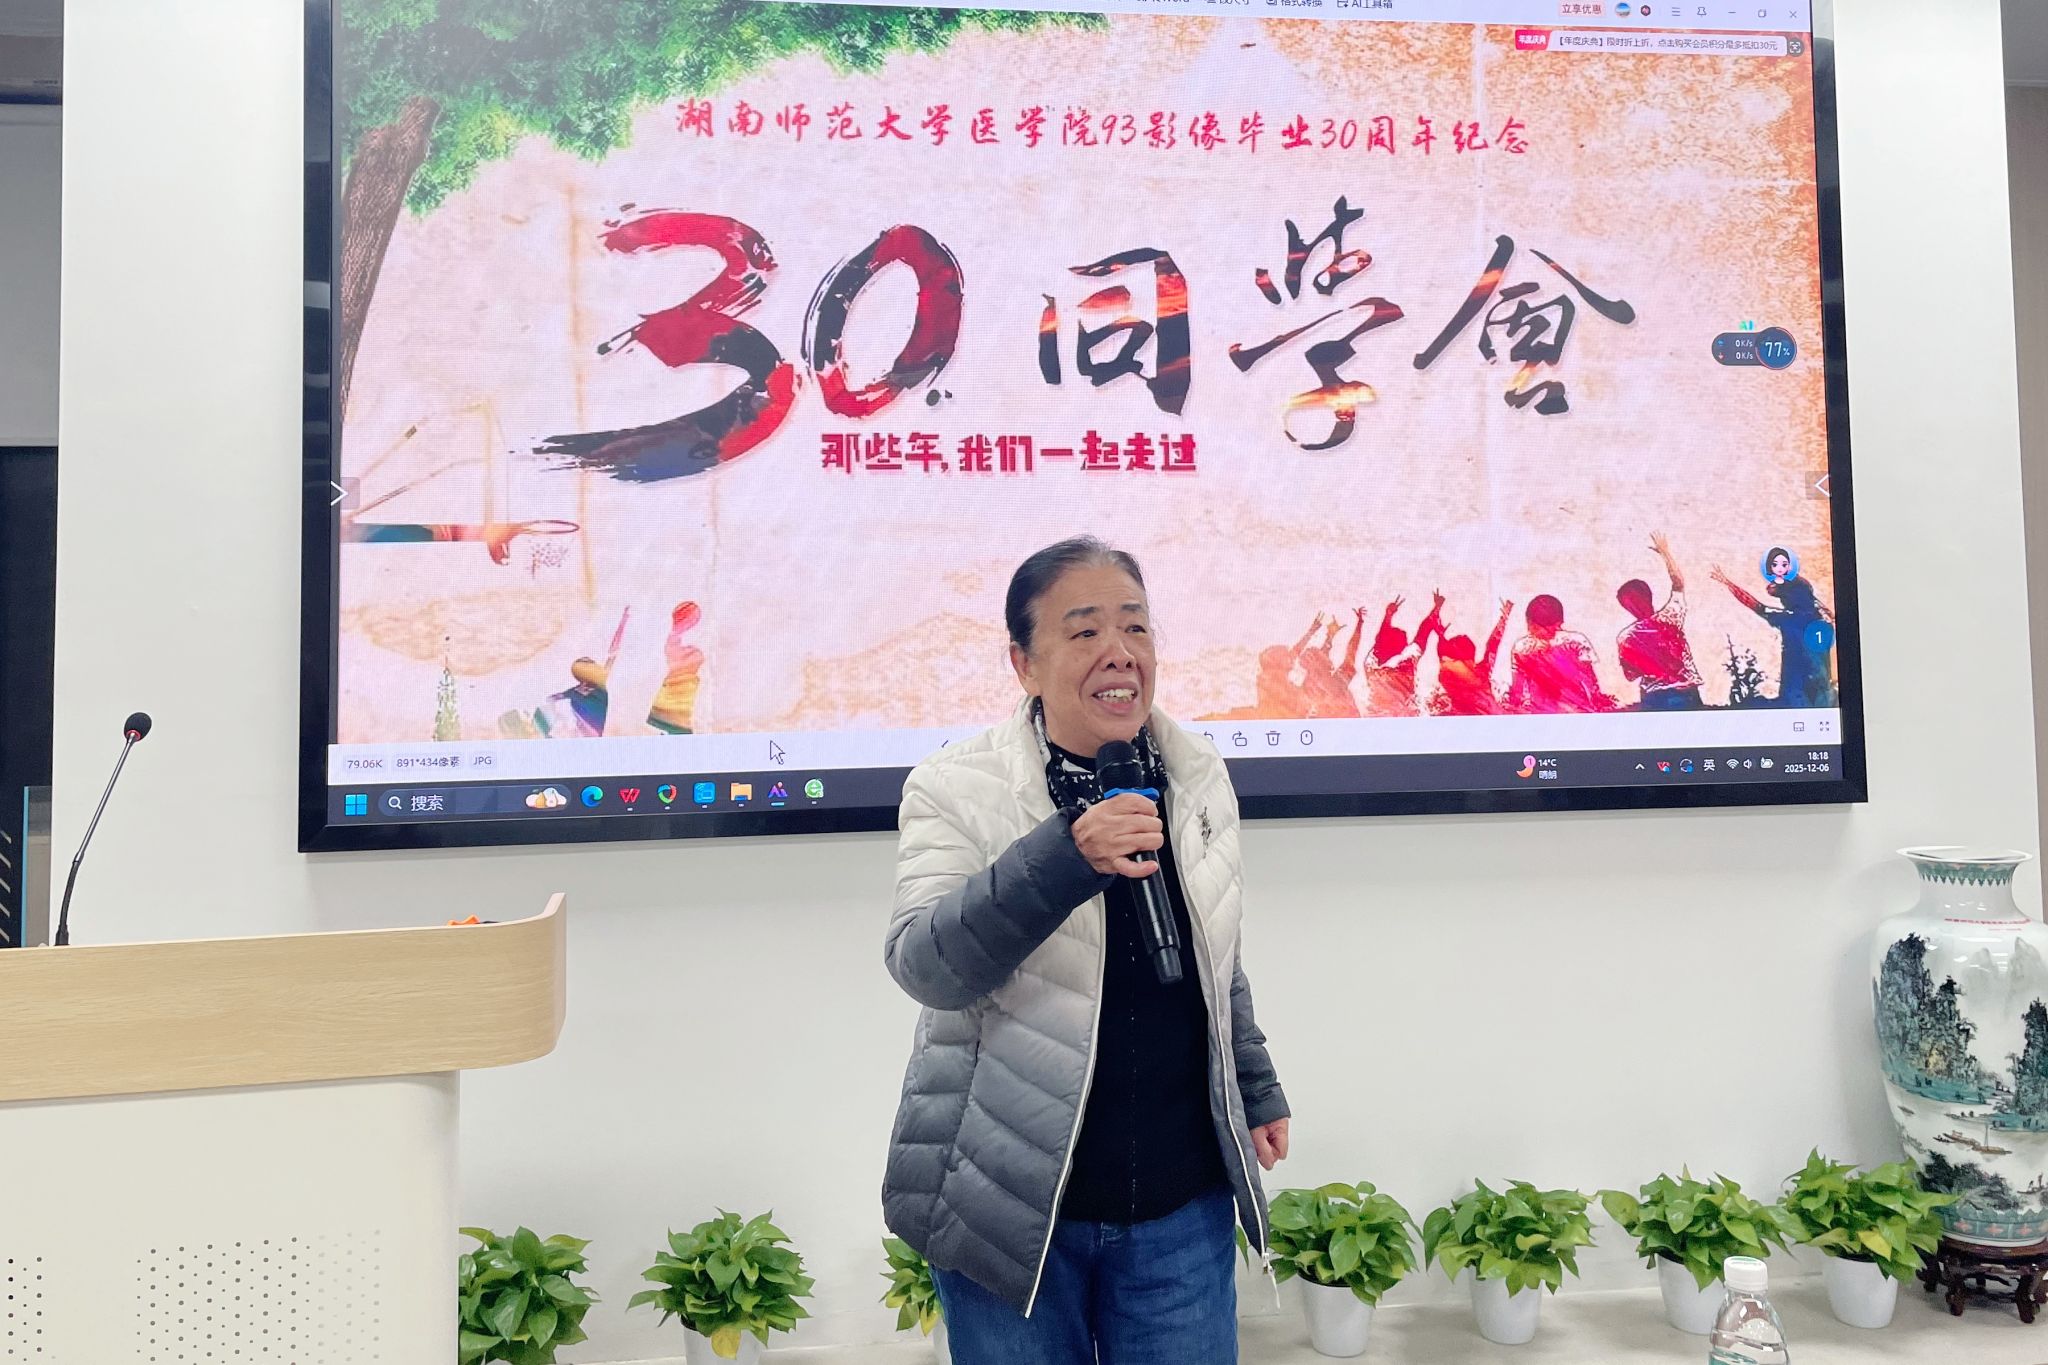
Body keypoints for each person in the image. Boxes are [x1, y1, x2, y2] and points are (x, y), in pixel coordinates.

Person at [883, 536, 1290, 1364]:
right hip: (1011, 1207)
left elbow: (1216, 950)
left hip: (1181, 1204)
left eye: (1136, 627)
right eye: (1085, 631)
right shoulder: (954, 786)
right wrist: (1066, 856)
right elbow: (925, 964)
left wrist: (1253, 1081)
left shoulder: (1195, 769)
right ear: (1023, 663)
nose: (1120, 652)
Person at [1711, 558, 1837, 708]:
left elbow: (1755, 605)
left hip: (1796, 691)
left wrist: (1728, 584)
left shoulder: (1788, 619)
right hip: (1820, 690)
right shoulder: (1822, 620)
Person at [1615, 533, 1704, 710]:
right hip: (1685, 692)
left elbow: (1630, 675)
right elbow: (1678, 583)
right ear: (1649, 596)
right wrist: (1665, 553)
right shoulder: (1670, 616)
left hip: (1654, 697)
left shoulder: (1625, 637)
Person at [1506, 595, 1616, 713]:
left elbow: (1517, 688)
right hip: (1572, 708)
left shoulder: (1522, 647)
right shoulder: (1575, 641)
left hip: (1543, 710)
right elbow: (1589, 680)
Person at [1424, 594, 1512, 716]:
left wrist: (1437, 612)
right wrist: (1504, 619)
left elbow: (1492, 645)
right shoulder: (1481, 672)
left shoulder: (1450, 676)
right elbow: (1492, 645)